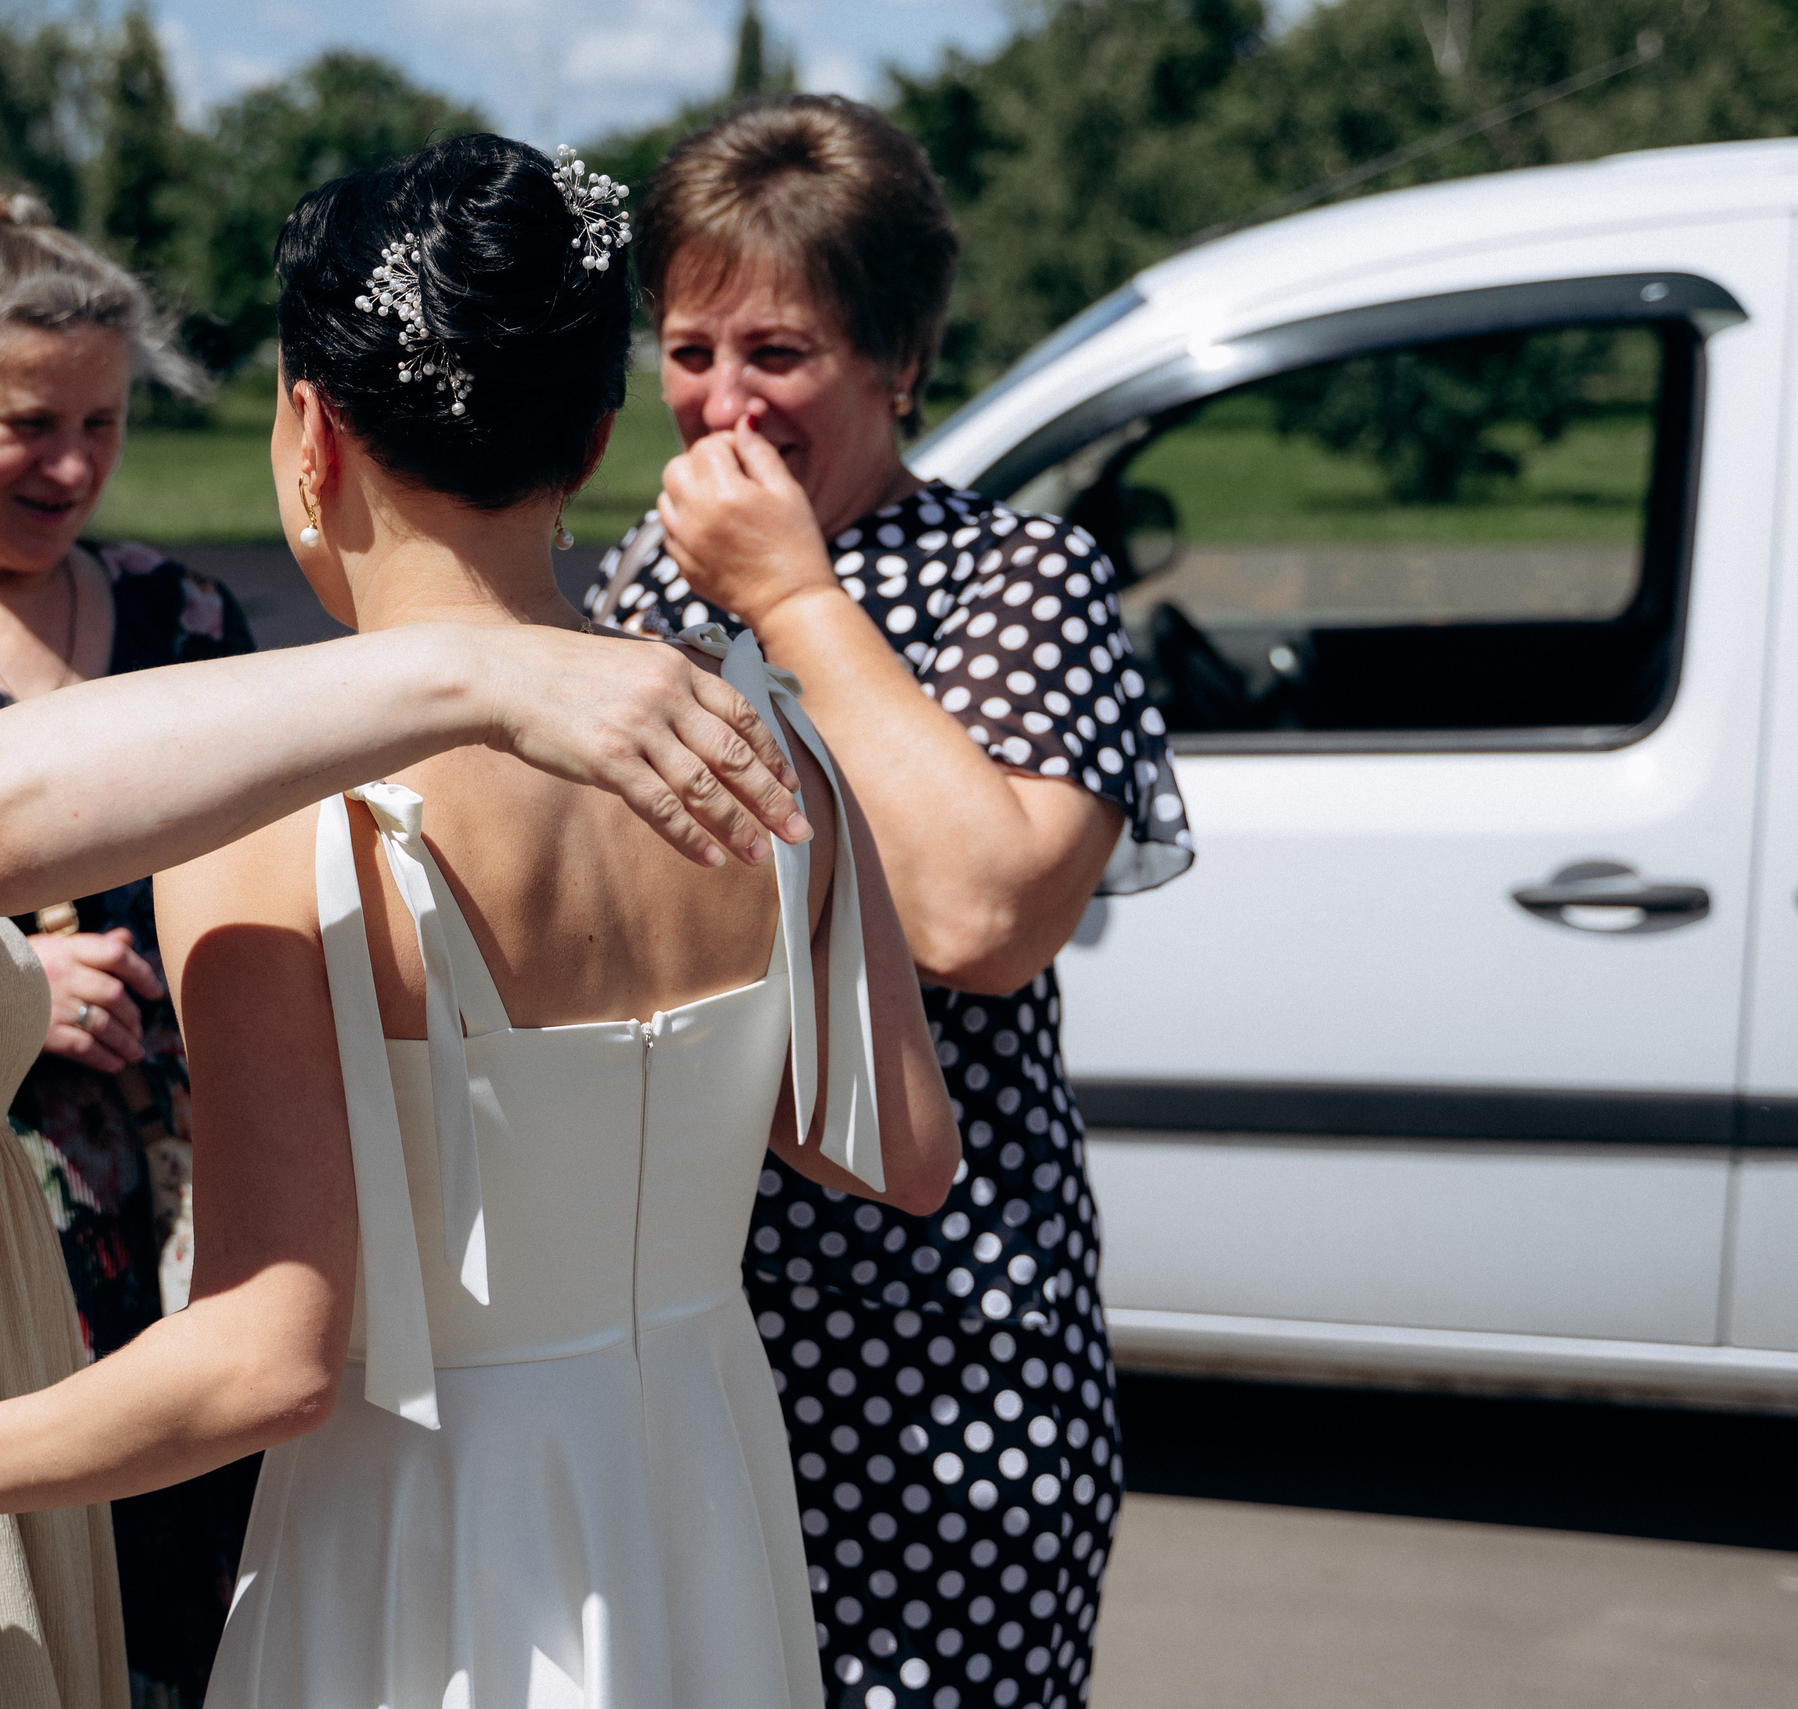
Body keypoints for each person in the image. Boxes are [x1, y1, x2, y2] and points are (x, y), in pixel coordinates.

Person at [0, 137, 961, 1705]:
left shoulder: (282, 816)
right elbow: (902, 1152)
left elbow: (268, 1359)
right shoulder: (766, 747)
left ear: (309, 431)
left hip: (435, 1531)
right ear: (593, 435)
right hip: (702, 1498)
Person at [585, 97, 1197, 1709]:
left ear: (899, 361)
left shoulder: (1020, 580)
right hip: (689, 1335)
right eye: (692, 346)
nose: (724, 402)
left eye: (778, 353)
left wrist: (794, 594)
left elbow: (986, 917)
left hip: (943, 1364)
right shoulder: (639, 585)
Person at [0, 189, 258, 1702]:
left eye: (105, 420)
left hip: (202, 1239)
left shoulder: (183, 611)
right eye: (31, 422)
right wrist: (8, 991)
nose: (76, 464)